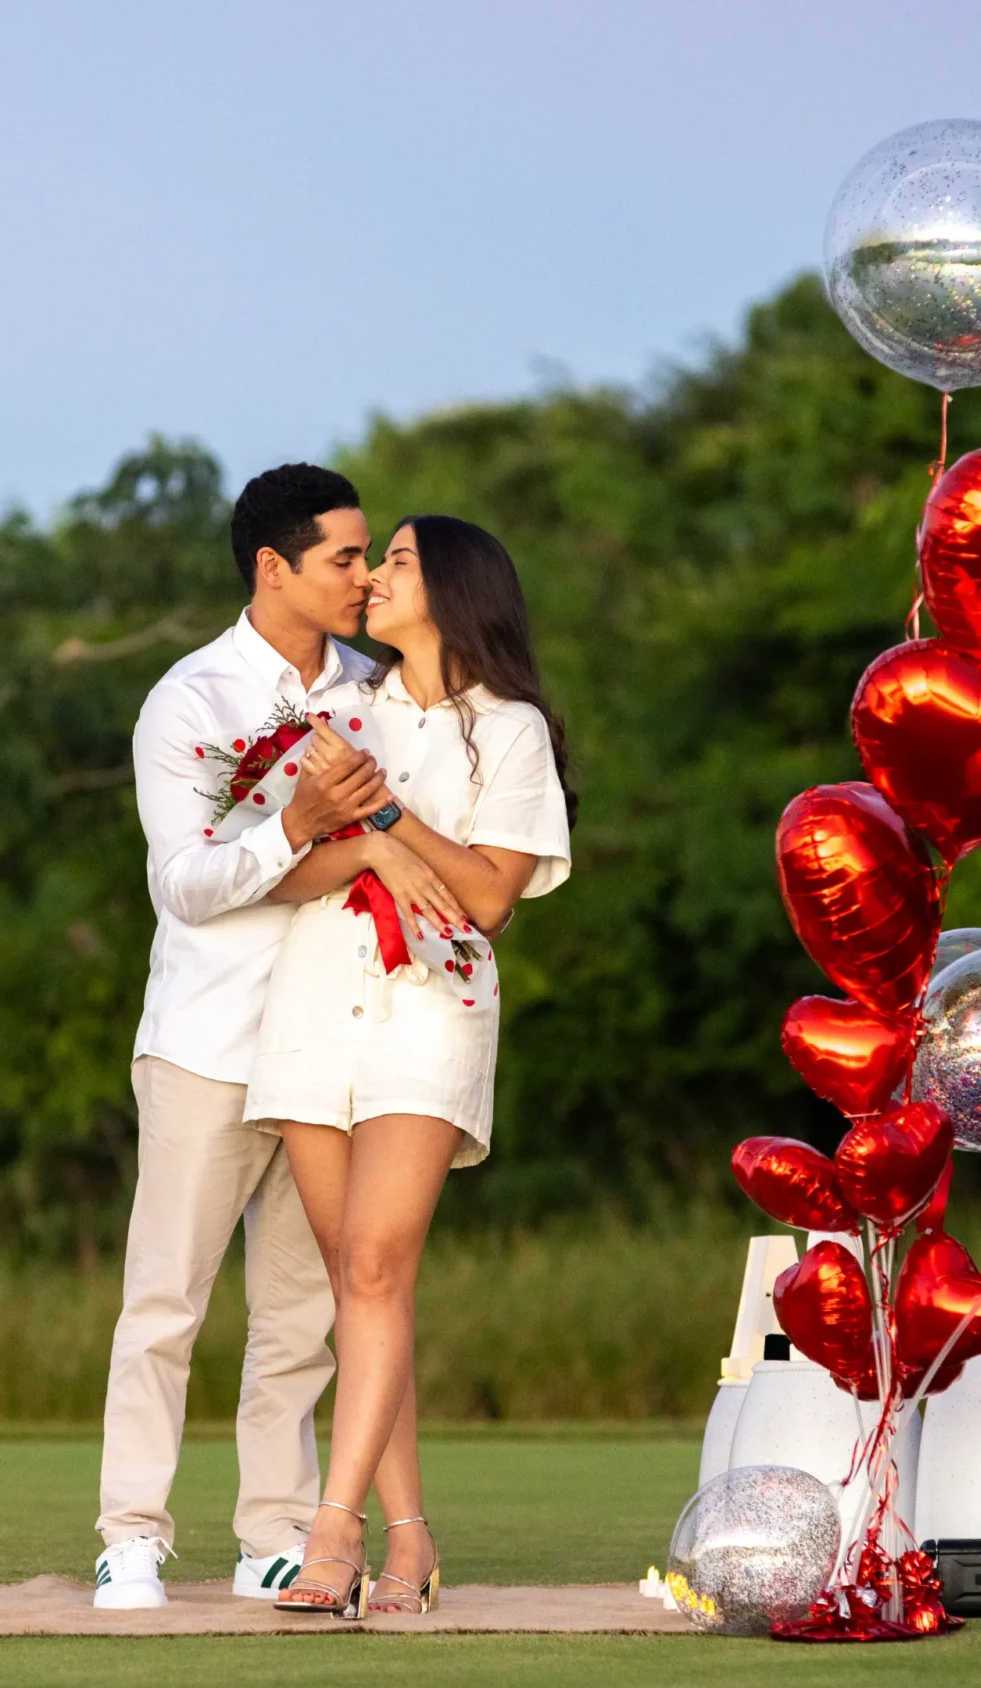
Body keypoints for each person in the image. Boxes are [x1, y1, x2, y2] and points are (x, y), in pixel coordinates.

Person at [244, 515, 574, 1617]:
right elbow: (274, 871)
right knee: (356, 1287)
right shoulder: (331, 712)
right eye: (371, 560)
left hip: (432, 1011)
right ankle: (412, 1539)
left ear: (456, 586)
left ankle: (330, 1536)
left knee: (378, 1269)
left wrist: (385, 812)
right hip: (310, 1006)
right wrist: (358, 839)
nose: (372, 578)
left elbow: (486, 897)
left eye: (394, 560)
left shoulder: (513, 733)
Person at [93, 463, 398, 1609]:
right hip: (208, 1043)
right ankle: (130, 1533)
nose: (364, 577)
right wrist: (297, 828)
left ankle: (273, 1533)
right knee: (165, 1301)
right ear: (273, 568)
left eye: (369, 557)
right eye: (344, 559)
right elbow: (186, 885)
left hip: (334, 1043)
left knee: (302, 1315)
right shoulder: (190, 700)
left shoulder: (382, 688)